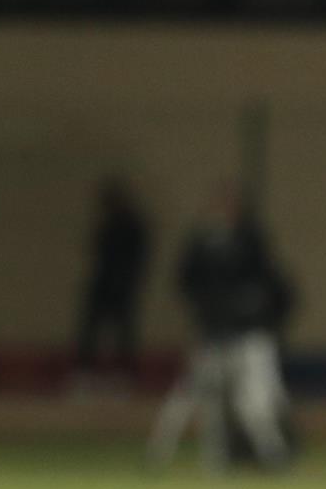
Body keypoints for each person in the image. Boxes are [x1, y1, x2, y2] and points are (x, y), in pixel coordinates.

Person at [145, 184, 299, 472]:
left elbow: (277, 290)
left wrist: (258, 315)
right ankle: (179, 454)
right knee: (197, 395)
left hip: (248, 334)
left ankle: (272, 454)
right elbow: (186, 282)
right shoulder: (201, 245)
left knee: (254, 400)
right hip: (213, 333)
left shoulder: (251, 244)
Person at [75, 177, 150, 374]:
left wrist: (128, 279)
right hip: (104, 281)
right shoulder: (107, 224)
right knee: (92, 325)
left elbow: (138, 256)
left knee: (123, 328)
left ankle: (125, 369)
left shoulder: (132, 225)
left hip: (122, 283)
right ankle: (86, 368)